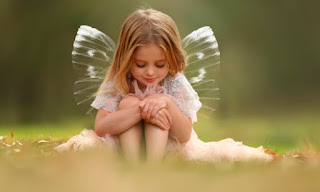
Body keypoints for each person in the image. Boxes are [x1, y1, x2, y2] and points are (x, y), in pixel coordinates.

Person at [55, 8, 273, 164]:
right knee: (131, 101)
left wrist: (165, 103)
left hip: (164, 148)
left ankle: (152, 168)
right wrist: (140, 110)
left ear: (171, 58)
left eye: (159, 64)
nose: (150, 72)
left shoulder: (174, 80)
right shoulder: (120, 80)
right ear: (126, 58)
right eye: (141, 64)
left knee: (157, 105)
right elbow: (101, 127)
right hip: (123, 147)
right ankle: (132, 167)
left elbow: (185, 134)